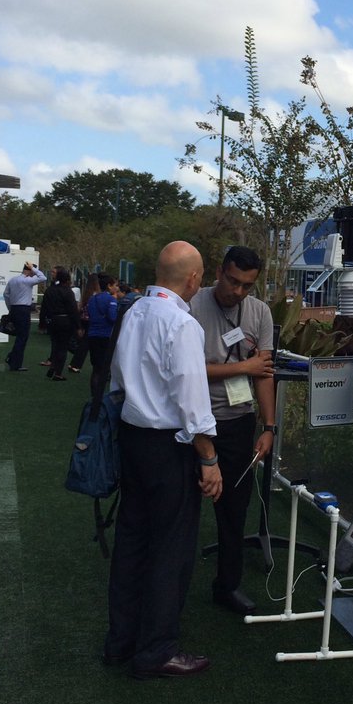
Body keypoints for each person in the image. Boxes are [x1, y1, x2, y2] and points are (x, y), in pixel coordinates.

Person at [104, 241, 222, 679]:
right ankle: (157, 650)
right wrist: (209, 459)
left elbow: (117, 377)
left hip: (131, 439)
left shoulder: (132, 312)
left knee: (132, 543)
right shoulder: (181, 323)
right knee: (170, 550)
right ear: (193, 278)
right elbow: (192, 400)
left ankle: (121, 641)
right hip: (167, 448)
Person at [190, 244, 276, 615]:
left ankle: (227, 586)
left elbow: (265, 375)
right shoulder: (192, 306)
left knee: (234, 511)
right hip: (193, 425)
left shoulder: (259, 313)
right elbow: (186, 372)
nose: (238, 291)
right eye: (233, 281)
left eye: (247, 286)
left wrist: (269, 426)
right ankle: (170, 584)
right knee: (182, 507)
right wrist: (245, 368)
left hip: (239, 424)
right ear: (219, 271)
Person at [3, 261, 46, 371]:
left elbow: (6, 294)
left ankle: (13, 357)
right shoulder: (28, 281)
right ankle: (15, 362)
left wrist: (10, 308)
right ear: (30, 270)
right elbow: (43, 278)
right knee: (22, 337)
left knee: (19, 336)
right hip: (24, 310)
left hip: (14, 308)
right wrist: (34, 268)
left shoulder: (13, 280)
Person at [40, 267, 80, 381]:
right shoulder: (68, 292)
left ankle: (53, 364)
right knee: (63, 347)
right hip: (65, 321)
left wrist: (42, 323)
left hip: (52, 320)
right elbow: (73, 310)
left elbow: (44, 308)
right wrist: (78, 326)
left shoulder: (50, 290)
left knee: (55, 344)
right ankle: (58, 372)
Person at [85, 273, 120, 398]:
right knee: (105, 367)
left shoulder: (92, 299)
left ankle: (95, 396)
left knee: (96, 368)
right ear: (109, 286)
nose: (117, 288)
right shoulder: (111, 300)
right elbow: (113, 318)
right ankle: (102, 396)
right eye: (115, 285)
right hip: (106, 336)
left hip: (93, 334)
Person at [68, 273, 100, 373]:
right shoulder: (96, 294)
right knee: (86, 344)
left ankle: (75, 364)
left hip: (83, 319)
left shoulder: (86, 292)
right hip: (91, 319)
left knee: (84, 343)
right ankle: (75, 364)